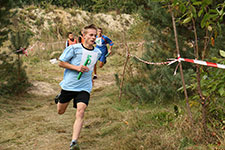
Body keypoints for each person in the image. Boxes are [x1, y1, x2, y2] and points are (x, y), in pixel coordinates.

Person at [55, 24, 102, 150]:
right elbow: (61, 63)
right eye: (90, 35)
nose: (93, 37)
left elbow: (91, 66)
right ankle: (60, 98)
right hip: (69, 85)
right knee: (60, 111)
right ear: (83, 36)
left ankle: (74, 142)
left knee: (81, 111)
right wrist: (76, 68)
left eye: (95, 35)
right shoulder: (74, 48)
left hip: (84, 87)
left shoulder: (97, 52)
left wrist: (91, 78)